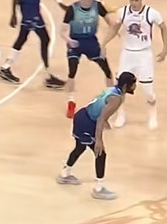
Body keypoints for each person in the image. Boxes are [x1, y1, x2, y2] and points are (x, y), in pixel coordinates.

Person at [57, 72, 137, 201]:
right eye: (133, 84)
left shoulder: (112, 90)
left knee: (80, 147)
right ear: (126, 85)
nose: (135, 86)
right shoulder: (117, 99)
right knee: (100, 153)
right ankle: (99, 189)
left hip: (82, 115)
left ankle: (65, 174)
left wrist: (104, 120)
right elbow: (100, 119)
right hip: (88, 122)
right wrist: (99, 140)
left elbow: (99, 104)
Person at [102, 0, 167, 129]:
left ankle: (152, 112)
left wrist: (165, 49)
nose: (134, 3)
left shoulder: (151, 13)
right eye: (131, 0)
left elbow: (163, 27)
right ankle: (121, 114)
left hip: (144, 54)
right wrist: (104, 44)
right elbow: (114, 29)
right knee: (120, 87)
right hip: (127, 53)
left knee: (148, 89)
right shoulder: (123, 12)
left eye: (136, 0)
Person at [63, 0, 116, 119]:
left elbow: (111, 24)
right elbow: (62, 30)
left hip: (91, 41)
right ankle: (71, 101)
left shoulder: (97, 6)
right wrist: (68, 40)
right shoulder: (72, 9)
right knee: (72, 71)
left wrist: (105, 43)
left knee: (106, 69)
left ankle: (110, 98)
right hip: (76, 42)